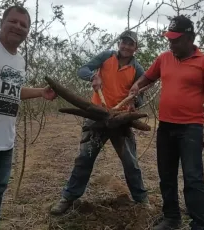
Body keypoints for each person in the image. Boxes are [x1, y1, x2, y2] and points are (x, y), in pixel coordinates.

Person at [129, 15, 204, 230]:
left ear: (190, 38)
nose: (171, 44)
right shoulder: (164, 58)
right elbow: (149, 77)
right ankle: (171, 218)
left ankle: (199, 224)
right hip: (166, 126)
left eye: (176, 40)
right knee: (166, 175)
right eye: (169, 39)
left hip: (190, 128)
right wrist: (137, 85)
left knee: (193, 178)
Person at [0, 5, 57, 230]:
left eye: (24, 25)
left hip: (4, 143)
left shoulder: (19, 61)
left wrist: (40, 92)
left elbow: (10, 92)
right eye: (13, 21)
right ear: (2, 22)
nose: (18, 27)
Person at [50, 30, 150, 215]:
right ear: (119, 43)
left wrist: (135, 102)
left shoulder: (138, 69)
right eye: (124, 42)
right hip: (97, 115)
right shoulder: (106, 57)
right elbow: (83, 70)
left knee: (130, 162)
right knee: (84, 159)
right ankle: (69, 197)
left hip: (120, 120)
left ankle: (142, 200)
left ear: (136, 48)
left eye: (131, 44)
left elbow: (140, 96)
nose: (126, 46)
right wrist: (93, 77)